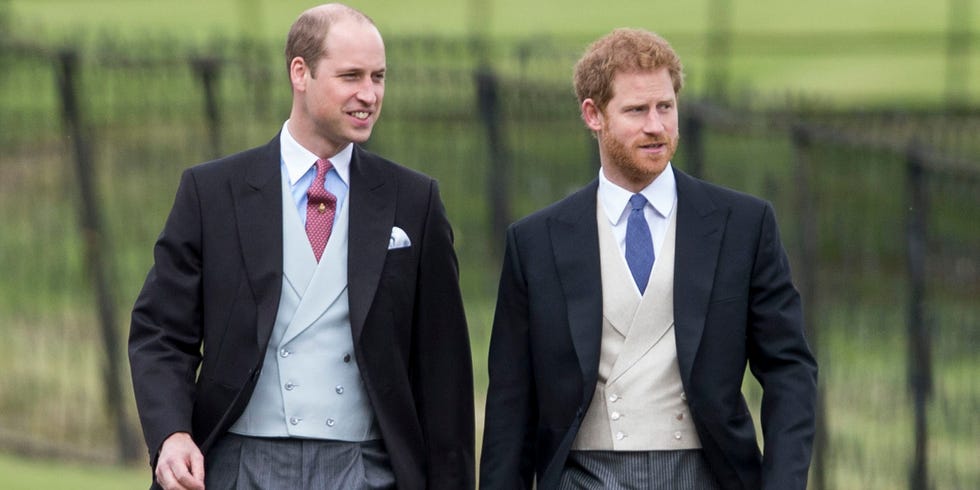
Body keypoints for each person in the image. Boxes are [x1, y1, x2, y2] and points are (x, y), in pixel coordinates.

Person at [128, 4, 474, 489]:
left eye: (378, 77)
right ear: (300, 73)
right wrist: (172, 433)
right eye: (351, 76)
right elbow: (162, 332)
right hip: (239, 466)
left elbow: (444, 371)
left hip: (367, 470)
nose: (369, 94)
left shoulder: (415, 200)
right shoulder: (212, 193)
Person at [479, 28, 817, 490]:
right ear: (593, 115)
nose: (656, 126)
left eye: (665, 107)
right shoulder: (536, 241)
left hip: (709, 477)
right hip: (582, 478)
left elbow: (789, 370)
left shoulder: (743, 225)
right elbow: (510, 403)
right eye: (637, 110)